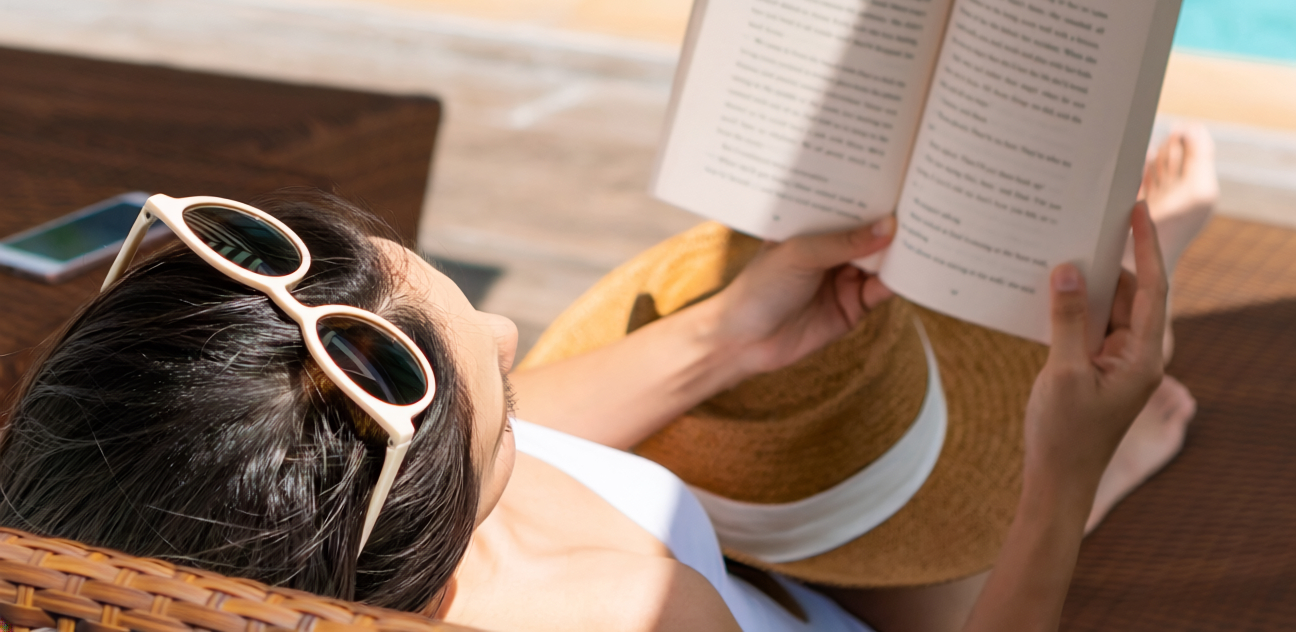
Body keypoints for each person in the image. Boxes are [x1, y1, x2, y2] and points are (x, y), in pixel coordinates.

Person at [0, 128, 1214, 632]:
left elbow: (449, 456)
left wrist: (729, 338)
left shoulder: (227, 528)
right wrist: (1063, 467)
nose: (520, 329)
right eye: (504, 393)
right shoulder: (629, 616)